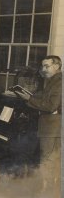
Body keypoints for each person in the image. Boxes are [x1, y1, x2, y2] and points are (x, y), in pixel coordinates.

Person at [15, 55, 61, 195]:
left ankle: (47, 192)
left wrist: (29, 98)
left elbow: (51, 106)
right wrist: (30, 96)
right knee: (53, 160)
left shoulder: (59, 82)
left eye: (47, 66)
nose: (44, 69)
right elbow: (45, 98)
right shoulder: (52, 81)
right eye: (43, 66)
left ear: (57, 66)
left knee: (47, 159)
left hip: (52, 126)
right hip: (51, 126)